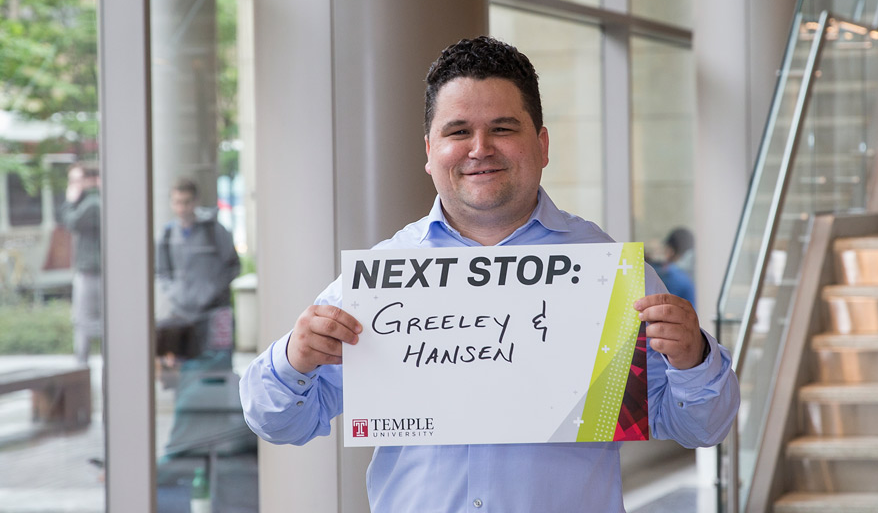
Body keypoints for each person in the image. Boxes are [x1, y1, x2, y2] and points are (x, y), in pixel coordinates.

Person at [239, 36, 739, 512]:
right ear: (429, 152)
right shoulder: (383, 277)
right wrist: (293, 359)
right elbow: (279, 422)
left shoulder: (606, 273)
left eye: (503, 128)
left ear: (542, 145)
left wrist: (694, 358)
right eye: (458, 132)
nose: (480, 148)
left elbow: (702, 428)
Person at [156, 177, 241, 370]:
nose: (182, 208)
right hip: (182, 314)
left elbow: (233, 266)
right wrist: (175, 293)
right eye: (177, 202)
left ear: (195, 202)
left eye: (186, 202)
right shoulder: (168, 234)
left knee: (218, 368)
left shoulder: (215, 230)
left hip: (214, 311)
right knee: (185, 372)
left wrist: (212, 290)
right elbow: (162, 271)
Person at [61, 162, 102, 365]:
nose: (73, 186)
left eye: (76, 180)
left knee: (84, 323)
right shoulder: (93, 201)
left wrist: (69, 202)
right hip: (92, 270)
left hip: (92, 272)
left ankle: (82, 366)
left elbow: (71, 222)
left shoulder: (92, 203)